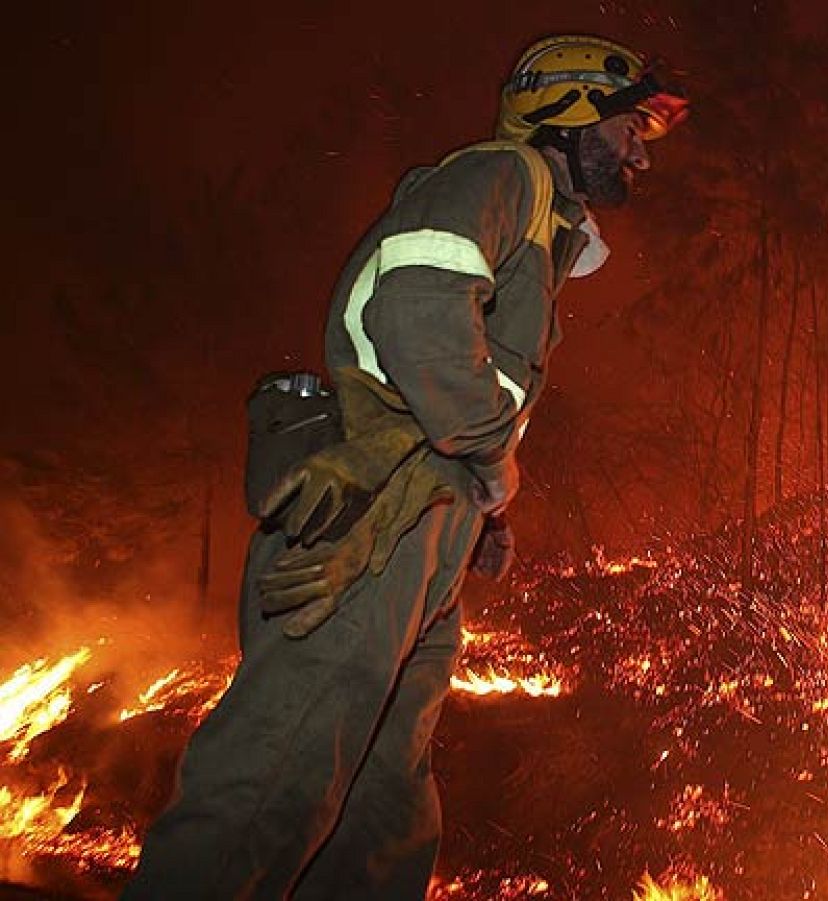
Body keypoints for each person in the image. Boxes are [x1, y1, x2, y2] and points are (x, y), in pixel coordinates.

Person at [123, 34, 686, 899]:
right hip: (371, 519)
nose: (643, 149)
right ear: (567, 114)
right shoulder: (503, 177)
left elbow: (465, 382)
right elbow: (417, 311)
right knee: (278, 772)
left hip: (426, 529)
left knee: (381, 811)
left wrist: (483, 514)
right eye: (628, 126)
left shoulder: (540, 232)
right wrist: (492, 463)